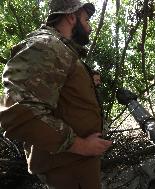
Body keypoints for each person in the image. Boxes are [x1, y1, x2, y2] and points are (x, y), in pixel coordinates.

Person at [0, 0, 112, 189]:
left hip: (74, 164)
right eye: (86, 20)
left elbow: (58, 94)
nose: (90, 28)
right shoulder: (47, 45)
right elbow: (17, 109)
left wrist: (85, 81)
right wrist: (82, 146)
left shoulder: (61, 48)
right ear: (71, 17)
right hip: (68, 166)